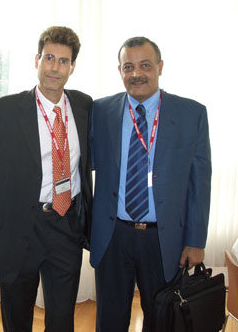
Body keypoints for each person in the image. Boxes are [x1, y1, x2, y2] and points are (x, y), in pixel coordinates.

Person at [0, 26, 93, 332]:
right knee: (17, 317)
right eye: (49, 58)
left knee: (63, 318)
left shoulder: (84, 106)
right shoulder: (6, 111)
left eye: (63, 61)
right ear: (36, 59)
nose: (55, 67)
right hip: (20, 229)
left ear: (72, 67)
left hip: (66, 225)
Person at [89, 36, 212, 331]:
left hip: (163, 239)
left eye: (145, 65)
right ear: (119, 70)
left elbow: (200, 182)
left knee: (162, 319)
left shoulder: (191, 113)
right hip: (113, 236)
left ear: (160, 67)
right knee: (110, 319)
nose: (136, 74)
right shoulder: (100, 111)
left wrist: (195, 240)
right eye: (128, 67)